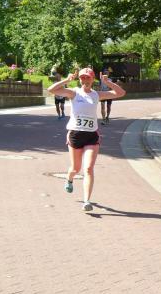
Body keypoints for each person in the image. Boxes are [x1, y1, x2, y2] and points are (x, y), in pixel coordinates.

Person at [48, 67, 126, 211]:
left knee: (88, 168)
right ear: (79, 79)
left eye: (88, 77)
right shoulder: (74, 93)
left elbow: (121, 93)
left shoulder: (97, 95)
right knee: (75, 168)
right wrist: (66, 80)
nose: (85, 80)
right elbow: (51, 90)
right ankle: (69, 178)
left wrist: (108, 82)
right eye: (82, 77)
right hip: (75, 135)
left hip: (91, 136)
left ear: (92, 79)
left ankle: (86, 201)